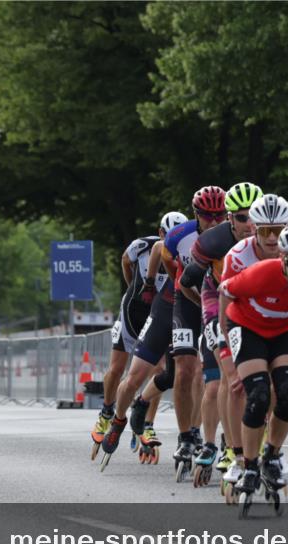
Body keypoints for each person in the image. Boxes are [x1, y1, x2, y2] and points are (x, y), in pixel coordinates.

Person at [103, 187, 227, 477]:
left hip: (212, 305)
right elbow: (161, 252)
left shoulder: (231, 237)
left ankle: (192, 434)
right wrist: (147, 283)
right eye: (207, 216)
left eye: (219, 215)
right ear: (196, 215)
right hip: (177, 302)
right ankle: (118, 419)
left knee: (199, 372)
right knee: (138, 374)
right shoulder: (179, 236)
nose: (213, 221)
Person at [218, 224, 288, 511]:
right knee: (258, 395)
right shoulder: (259, 274)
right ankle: (250, 464)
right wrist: (225, 348)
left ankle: (271, 456)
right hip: (247, 326)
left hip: (283, 330)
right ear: (282, 259)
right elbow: (224, 292)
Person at [176, 182, 263, 486]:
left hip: (252, 301)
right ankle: (221, 447)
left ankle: (251, 441)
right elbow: (186, 282)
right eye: (241, 218)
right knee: (226, 378)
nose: (249, 224)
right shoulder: (212, 242)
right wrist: (206, 311)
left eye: (255, 215)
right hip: (216, 297)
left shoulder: (275, 237)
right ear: (229, 219)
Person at [90, 212, 185, 468]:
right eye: (168, 236)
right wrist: (134, 287)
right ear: (161, 233)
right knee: (118, 367)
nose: (173, 242)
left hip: (160, 314)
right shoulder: (144, 245)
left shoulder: (188, 251)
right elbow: (125, 261)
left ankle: (146, 424)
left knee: (159, 369)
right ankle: (107, 411)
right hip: (133, 310)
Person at [215, 194, 288, 491]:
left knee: (280, 387)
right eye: (265, 232)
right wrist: (231, 352)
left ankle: (270, 449)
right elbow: (226, 304)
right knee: (237, 385)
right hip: (237, 320)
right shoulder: (237, 256)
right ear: (254, 230)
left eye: (279, 231)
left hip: (275, 321)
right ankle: (236, 456)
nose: (273, 239)